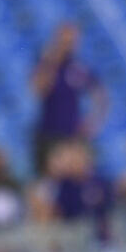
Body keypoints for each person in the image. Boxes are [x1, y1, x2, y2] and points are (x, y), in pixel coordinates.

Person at [30, 23, 108, 177]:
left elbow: (101, 96)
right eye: (64, 41)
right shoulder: (46, 64)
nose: (68, 45)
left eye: (71, 41)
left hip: (71, 136)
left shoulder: (78, 68)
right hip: (49, 134)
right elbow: (38, 89)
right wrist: (51, 62)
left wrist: (92, 122)